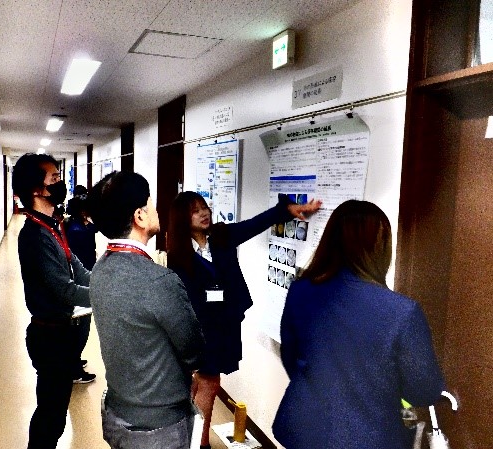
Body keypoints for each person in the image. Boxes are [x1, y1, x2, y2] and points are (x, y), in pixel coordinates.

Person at [272, 200, 445, 449]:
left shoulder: (301, 290)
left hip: (304, 429)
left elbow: (290, 355)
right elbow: (423, 391)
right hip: (367, 438)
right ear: (380, 247)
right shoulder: (402, 311)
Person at [166, 191, 322, 449]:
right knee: (209, 383)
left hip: (225, 326)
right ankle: (199, 443)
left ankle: (188, 438)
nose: (204, 213)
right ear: (182, 218)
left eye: (204, 207)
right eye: (195, 210)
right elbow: (180, 300)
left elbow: (254, 225)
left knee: (204, 382)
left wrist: (286, 211)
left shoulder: (221, 237)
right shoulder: (178, 255)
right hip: (200, 330)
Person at [86, 171, 205, 449]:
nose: (156, 210)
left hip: (117, 410)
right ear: (139, 216)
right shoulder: (159, 281)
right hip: (158, 426)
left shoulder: (100, 269)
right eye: (151, 203)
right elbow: (194, 352)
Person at [11, 153, 94, 449]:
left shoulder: (54, 225)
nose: (61, 183)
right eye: (55, 179)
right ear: (37, 189)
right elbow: (64, 289)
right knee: (51, 415)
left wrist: (103, 280)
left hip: (64, 334)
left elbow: (76, 268)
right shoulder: (35, 235)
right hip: (50, 337)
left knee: (55, 412)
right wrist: (106, 295)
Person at [64, 185, 97, 383]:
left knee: (80, 326)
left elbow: (95, 227)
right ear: (84, 212)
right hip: (81, 282)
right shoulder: (77, 231)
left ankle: (74, 360)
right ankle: (74, 369)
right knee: (81, 327)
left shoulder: (79, 226)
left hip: (84, 277)